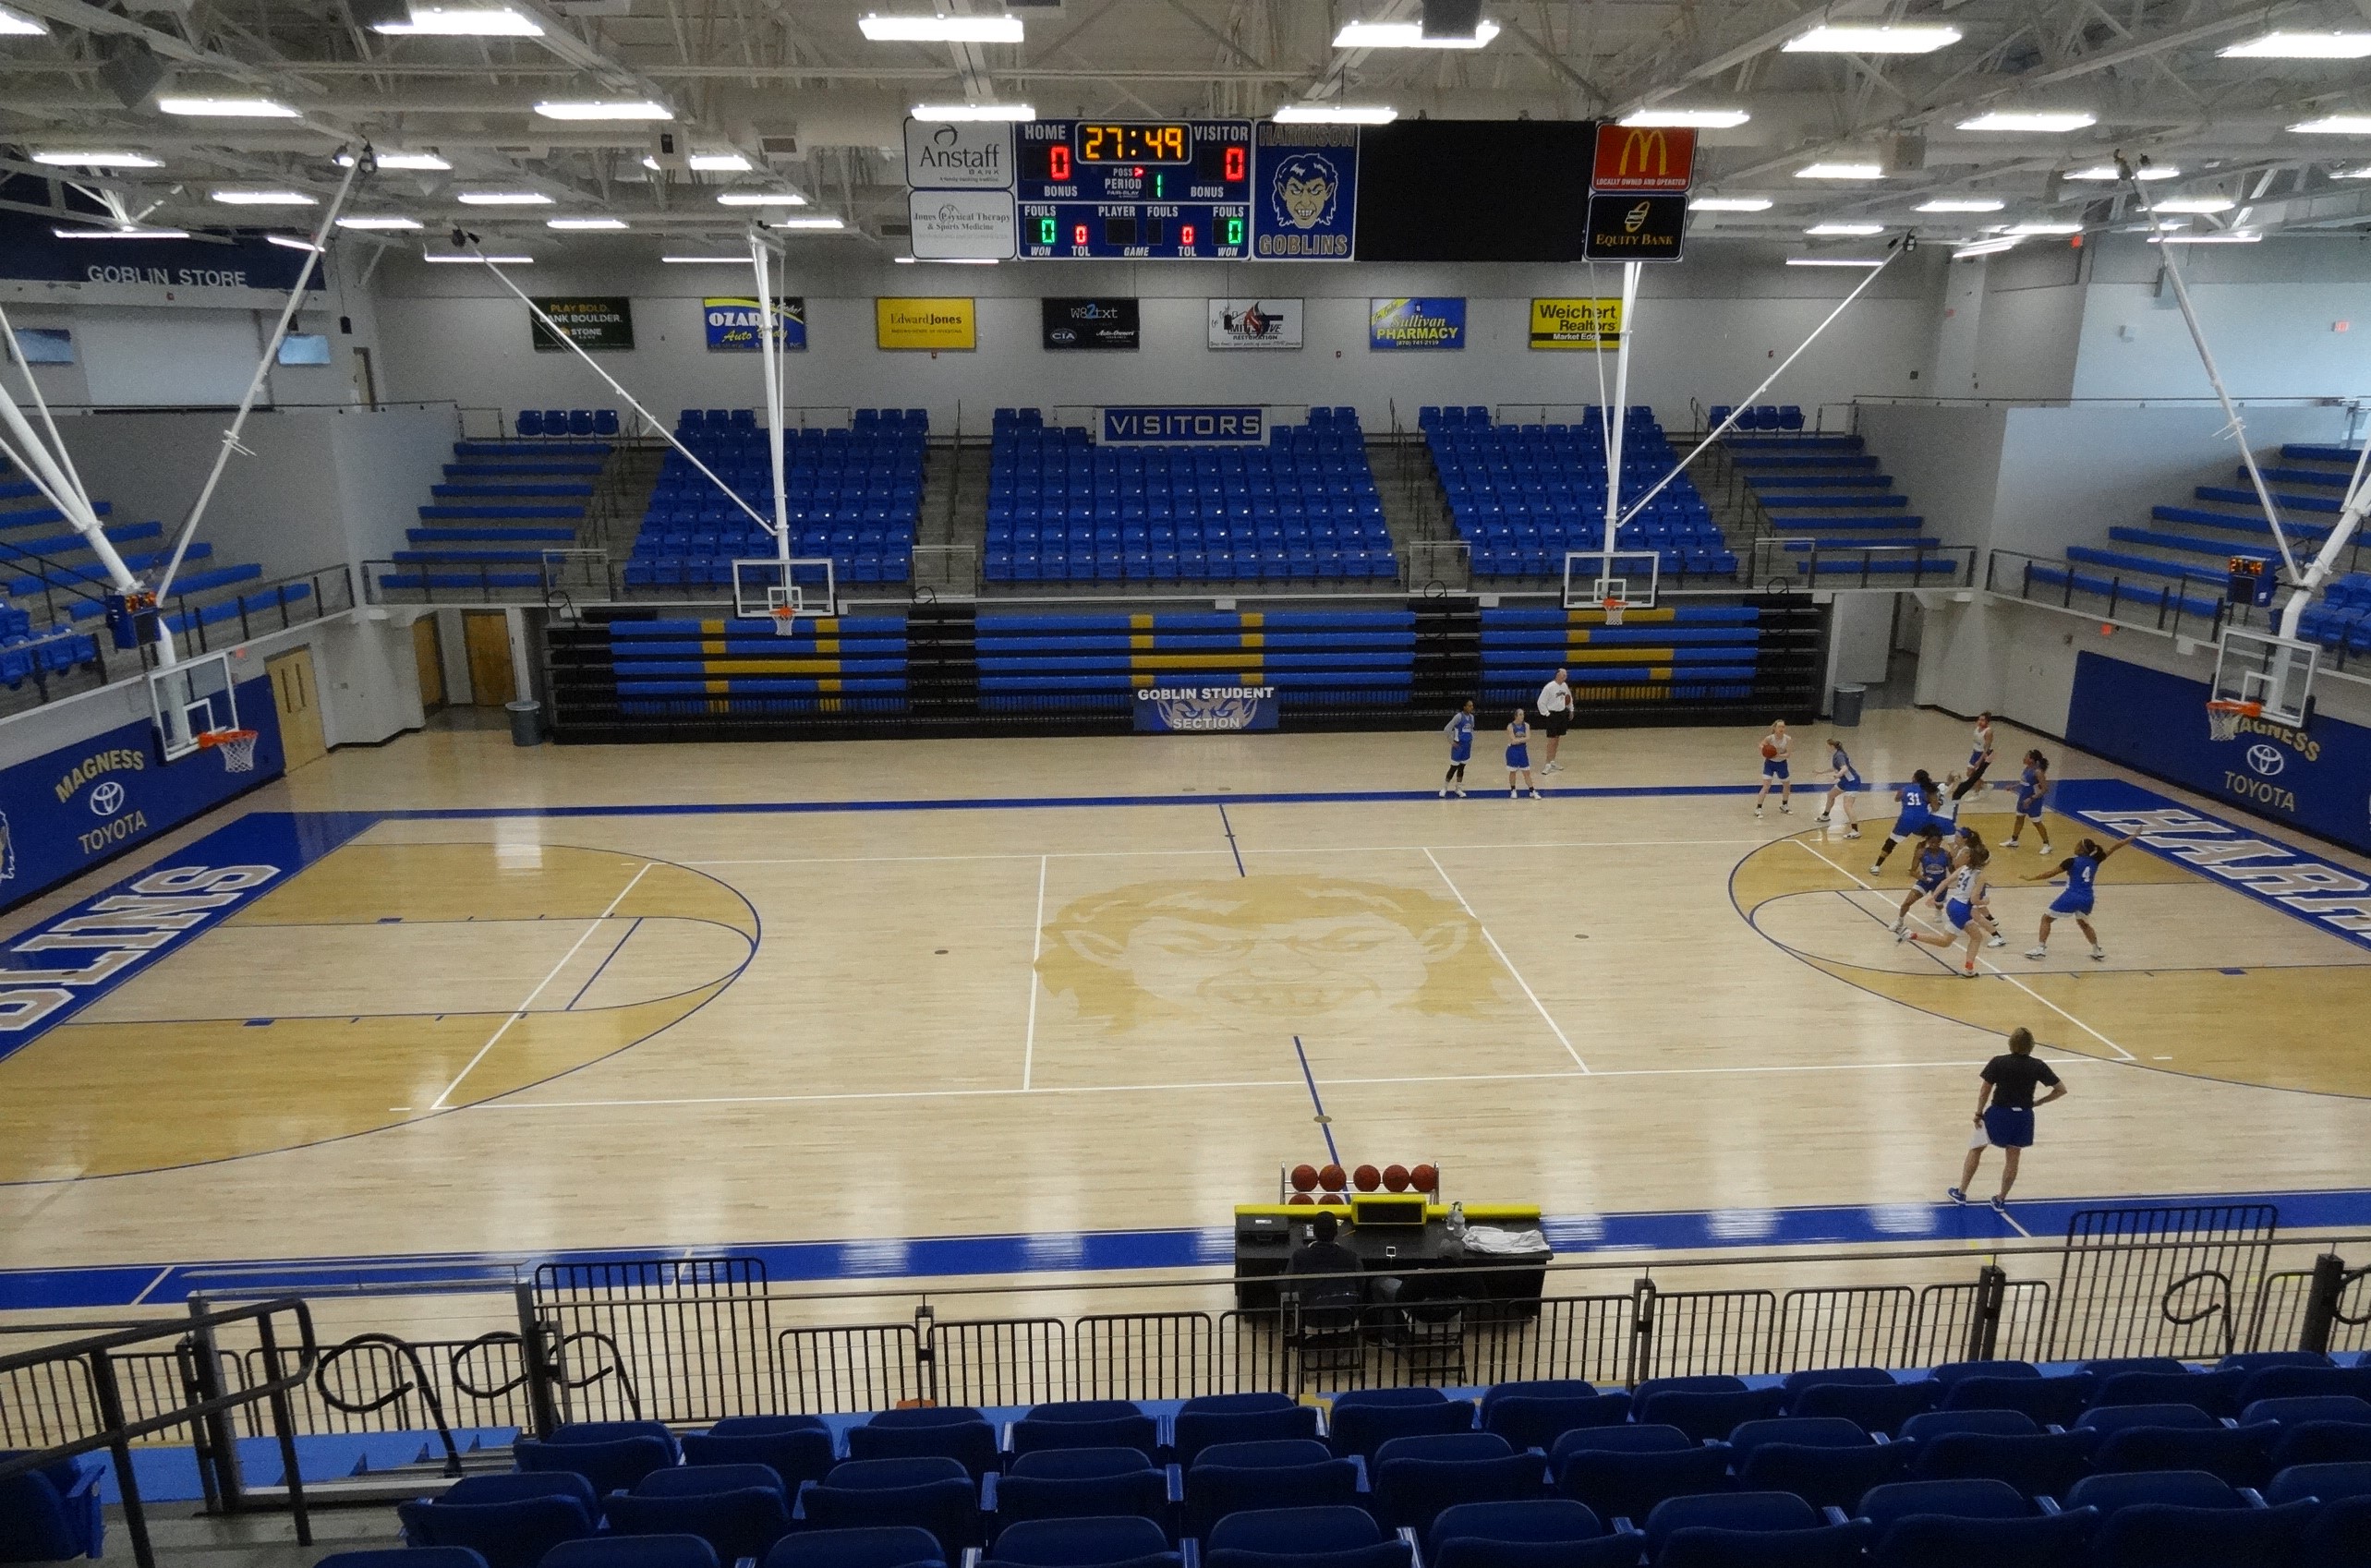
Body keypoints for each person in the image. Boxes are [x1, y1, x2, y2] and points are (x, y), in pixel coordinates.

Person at [1950, 1026, 2067, 1210]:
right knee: (2013, 1157)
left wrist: (1979, 1113)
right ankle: (2001, 1199)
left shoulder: (1998, 1062)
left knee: (1976, 1149)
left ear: (2011, 1043)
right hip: (2023, 1117)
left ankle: (1961, 1191)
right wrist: (2039, 1102)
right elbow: (2061, 1090)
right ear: (2031, 1046)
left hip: (1999, 1113)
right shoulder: (2038, 1065)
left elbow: (1984, 1091)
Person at [2025, 833, 2134, 961]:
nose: (2075, 847)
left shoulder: (2071, 861)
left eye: (2077, 845)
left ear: (2082, 850)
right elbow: (2115, 847)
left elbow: (2050, 873)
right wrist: (2131, 838)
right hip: (2088, 898)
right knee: (2084, 924)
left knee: (2046, 919)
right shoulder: (2096, 860)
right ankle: (2097, 950)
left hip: (2071, 896)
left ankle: (2040, 948)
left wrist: (2031, 878)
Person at [1901, 836, 1999, 976]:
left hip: (1953, 904)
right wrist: (1985, 901)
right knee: (1945, 942)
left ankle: (1969, 968)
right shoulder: (1981, 876)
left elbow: (1945, 882)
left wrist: (1933, 896)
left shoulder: (1963, 868)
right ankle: (1911, 934)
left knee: (1976, 937)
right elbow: (1974, 900)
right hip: (1962, 909)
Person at [1870, 769, 1944, 874]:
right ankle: (1916, 867)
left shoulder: (1904, 789)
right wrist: (1938, 802)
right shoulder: (1928, 791)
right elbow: (1935, 808)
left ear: (1914, 778)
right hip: (1922, 821)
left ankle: (1877, 866)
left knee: (1891, 842)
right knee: (1924, 840)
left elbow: (1896, 799)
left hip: (1905, 820)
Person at [1892, 826, 1955, 935]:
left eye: (1937, 842)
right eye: (1932, 842)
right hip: (1925, 883)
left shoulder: (1946, 854)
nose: (1934, 844)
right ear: (1928, 841)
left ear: (1941, 841)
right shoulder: (1921, 852)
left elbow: (1952, 871)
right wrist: (1923, 878)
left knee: (1939, 904)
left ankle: (1938, 910)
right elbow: (1912, 871)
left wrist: (1956, 860)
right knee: (1906, 903)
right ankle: (1899, 921)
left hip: (1940, 884)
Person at [2002, 749, 2053, 855]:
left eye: (2026, 756)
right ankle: (2014, 840)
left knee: (2037, 822)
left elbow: (2045, 789)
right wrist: (2013, 786)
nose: (2024, 758)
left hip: (2034, 801)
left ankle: (2047, 845)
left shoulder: (2038, 772)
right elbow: (2024, 782)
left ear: (2032, 760)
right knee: (2019, 818)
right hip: (2023, 798)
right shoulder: (2027, 768)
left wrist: (2031, 798)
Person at [1816, 737, 1863, 838]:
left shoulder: (1839, 756)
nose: (1826, 748)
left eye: (1827, 746)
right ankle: (1825, 816)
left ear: (1832, 746)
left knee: (1847, 806)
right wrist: (1822, 772)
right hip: (1845, 781)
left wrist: (1836, 776)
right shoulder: (1837, 754)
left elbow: (1844, 768)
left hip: (1852, 782)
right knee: (1831, 795)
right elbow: (1835, 768)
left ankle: (1855, 831)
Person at [1535, 669, 1574, 773]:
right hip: (1552, 714)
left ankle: (1552, 761)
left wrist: (1571, 709)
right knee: (1551, 739)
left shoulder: (1564, 686)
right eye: (1563, 675)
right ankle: (1547, 763)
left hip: (1561, 713)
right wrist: (1547, 713)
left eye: (1565, 675)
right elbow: (1540, 702)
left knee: (1557, 738)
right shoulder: (1549, 687)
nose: (1565, 677)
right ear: (1557, 675)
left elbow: (1569, 698)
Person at [1752, 719, 1793, 816]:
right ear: (1774, 728)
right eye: (1779, 727)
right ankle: (1758, 808)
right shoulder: (1770, 738)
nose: (1781, 729)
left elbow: (1788, 754)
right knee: (1766, 786)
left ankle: (1784, 805)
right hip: (1769, 763)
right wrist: (1764, 750)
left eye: (1783, 727)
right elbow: (1761, 745)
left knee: (1787, 786)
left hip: (1782, 764)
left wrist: (1778, 755)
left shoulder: (1788, 739)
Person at [1439, 699, 1475, 797]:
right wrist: (1452, 741)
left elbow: (1471, 729)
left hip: (1466, 746)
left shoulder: (1472, 717)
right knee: (1453, 767)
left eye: (1472, 706)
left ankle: (1458, 788)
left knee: (1462, 767)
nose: (1472, 707)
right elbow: (1447, 729)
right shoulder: (1458, 717)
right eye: (1469, 706)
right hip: (1458, 746)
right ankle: (1444, 788)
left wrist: (1471, 739)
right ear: (1464, 707)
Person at [1505, 708, 1541, 799]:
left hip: (1522, 751)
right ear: (1516, 716)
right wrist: (1522, 739)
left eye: (1523, 714)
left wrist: (1518, 740)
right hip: (1512, 751)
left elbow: (1528, 738)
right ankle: (1513, 790)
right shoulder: (1510, 726)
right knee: (1513, 772)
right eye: (1520, 714)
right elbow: (1513, 741)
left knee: (1526, 772)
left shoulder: (1526, 725)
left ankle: (1532, 790)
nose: (1522, 716)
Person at [1966, 712, 1998, 784]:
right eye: (1979, 719)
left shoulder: (1988, 732)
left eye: (1983, 720)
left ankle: (1982, 786)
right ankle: (1983, 786)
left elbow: (1987, 748)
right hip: (1976, 752)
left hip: (1983, 754)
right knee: (1970, 773)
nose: (1980, 722)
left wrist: (1980, 760)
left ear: (1987, 721)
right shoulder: (1977, 728)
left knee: (1972, 774)